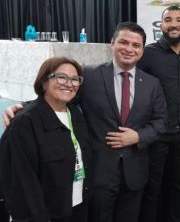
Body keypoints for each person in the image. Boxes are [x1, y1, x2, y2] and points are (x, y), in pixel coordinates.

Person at [2, 22, 167, 222]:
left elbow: (161, 121)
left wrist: (139, 136)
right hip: (98, 172)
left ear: (142, 50)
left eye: (136, 45)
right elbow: (62, 96)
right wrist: (23, 107)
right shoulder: (89, 74)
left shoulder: (152, 83)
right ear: (112, 43)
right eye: (123, 42)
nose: (129, 49)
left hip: (135, 173)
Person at [0, 57, 91, 222]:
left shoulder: (76, 114)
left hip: (76, 205)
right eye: (61, 77)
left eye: (75, 79)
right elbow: (21, 182)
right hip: (46, 213)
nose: (69, 84)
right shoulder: (24, 122)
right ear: (44, 82)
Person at [138, 6, 180, 222]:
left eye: (179, 19)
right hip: (157, 133)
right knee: (153, 187)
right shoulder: (148, 53)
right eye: (168, 19)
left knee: (179, 185)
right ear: (161, 26)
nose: (174, 23)